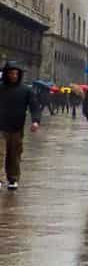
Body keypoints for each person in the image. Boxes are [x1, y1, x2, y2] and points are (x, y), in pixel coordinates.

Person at [0, 62, 42, 190]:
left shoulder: (26, 90)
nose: (13, 76)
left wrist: (35, 121)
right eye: (11, 73)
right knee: (0, 153)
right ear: (6, 74)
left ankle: (13, 179)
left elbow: (34, 106)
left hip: (17, 128)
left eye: (16, 73)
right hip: (1, 127)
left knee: (14, 154)